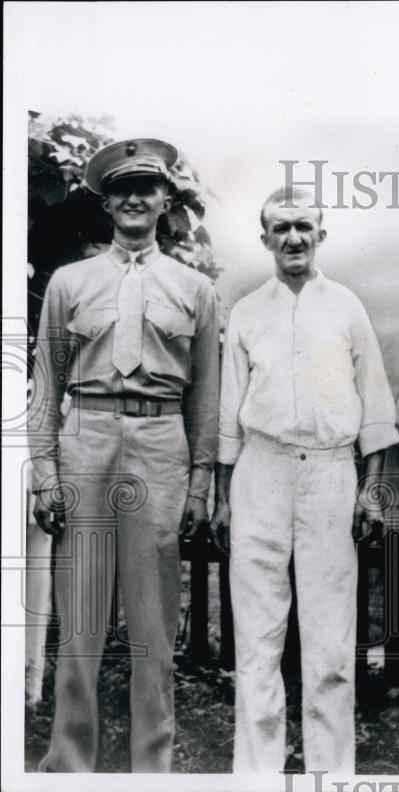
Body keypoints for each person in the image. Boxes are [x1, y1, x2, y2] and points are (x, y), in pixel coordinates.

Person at [29, 138, 219, 772]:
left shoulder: (195, 290)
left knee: (153, 633)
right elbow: (46, 388)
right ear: (105, 200)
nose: (135, 198)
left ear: (166, 199)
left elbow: (206, 396)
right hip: (85, 441)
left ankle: (151, 772)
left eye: (147, 187)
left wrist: (200, 484)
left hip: (162, 447)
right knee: (79, 627)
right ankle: (70, 767)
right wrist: (46, 474)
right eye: (122, 188)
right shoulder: (69, 283)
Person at [211, 186, 399, 773]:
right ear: (265, 237)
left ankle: (330, 775)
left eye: (303, 227)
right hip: (259, 473)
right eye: (281, 228)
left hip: (328, 473)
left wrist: (371, 489)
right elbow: (228, 413)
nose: (293, 238)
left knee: (331, 647)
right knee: (258, 643)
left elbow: (374, 404)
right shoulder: (245, 312)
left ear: (321, 233)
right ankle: (257, 775)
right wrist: (222, 497)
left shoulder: (346, 307)